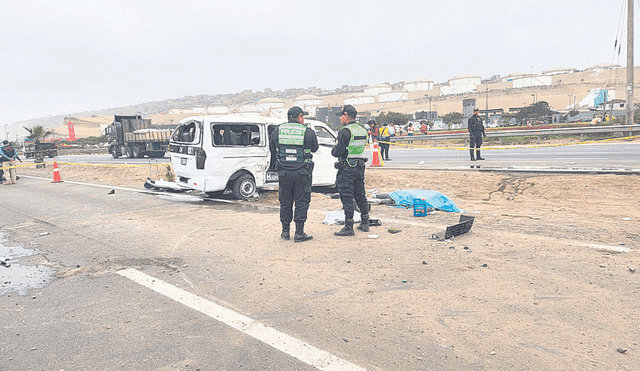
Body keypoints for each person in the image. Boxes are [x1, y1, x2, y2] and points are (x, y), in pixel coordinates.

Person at [269, 106, 319, 243]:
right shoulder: (307, 132)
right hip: (302, 172)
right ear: (300, 117)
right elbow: (315, 148)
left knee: (285, 201)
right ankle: (299, 232)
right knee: (301, 201)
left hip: (284, 172)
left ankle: (285, 232)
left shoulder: (277, 130)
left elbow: (272, 149)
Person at [331, 105, 371, 236]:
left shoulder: (345, 131)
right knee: (360, 194)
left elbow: (338, 151)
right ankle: (365, 222)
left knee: (347, 196)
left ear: (346, 116)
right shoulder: (362, 130)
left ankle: (349, 226)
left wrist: (334, 150)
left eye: (341, 116)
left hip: (347, 168)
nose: (340, 118)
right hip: (359, 167)